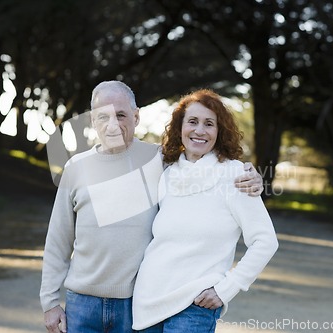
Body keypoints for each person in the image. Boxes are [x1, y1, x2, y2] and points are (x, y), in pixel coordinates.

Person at [40, 81, 264, 333]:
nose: (112, 124)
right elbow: (58, 241)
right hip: (81, 303)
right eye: (102, 116)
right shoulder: (76, 168)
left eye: (121, 115)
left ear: (136, 117)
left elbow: (203, 167)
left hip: (134, 304)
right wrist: (49, 303)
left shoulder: (160, 161)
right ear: (92, 120)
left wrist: (251, 176)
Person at [132, 89, 279, 332]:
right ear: (180, 128)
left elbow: (266, 241)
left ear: (219, 132)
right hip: (147, 302)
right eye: (192, 122)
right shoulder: (166, 173)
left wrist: (227, 288)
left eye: (209, 124)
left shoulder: (234, 175)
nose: (200, 130)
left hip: (194, 306)